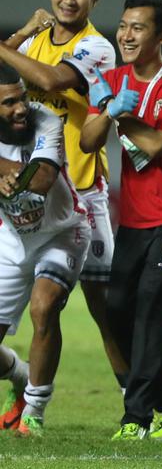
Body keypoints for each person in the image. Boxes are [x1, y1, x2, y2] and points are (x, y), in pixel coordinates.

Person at [0, 0, 125, 410]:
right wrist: (17, 38)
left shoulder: (98, 47)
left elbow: (53, 80)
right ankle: (23, 382)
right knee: (40, 306)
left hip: (81, 193)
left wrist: (7, 44)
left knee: (103, 308)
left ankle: (135, 403)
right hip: (26, 193)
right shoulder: (30, 43)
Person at [80, 0, 162, 440]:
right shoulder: (111, 77)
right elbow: (89, 140)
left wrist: (121, 113)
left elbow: (157, 146)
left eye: (138, 28)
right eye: (124, 25)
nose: (126, 35)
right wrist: (108, 110)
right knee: (116, 312)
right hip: (133, 218)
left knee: (153, 310)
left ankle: (137, 418)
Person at [0, 65, 88, 436]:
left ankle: (34, 410)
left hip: (61, 232)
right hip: (12, 238)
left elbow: (41, 179)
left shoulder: (46, 120)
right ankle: (20, 375)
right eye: (8, 103)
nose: (21, 108)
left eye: (22, 97)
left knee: (44, 306)